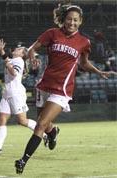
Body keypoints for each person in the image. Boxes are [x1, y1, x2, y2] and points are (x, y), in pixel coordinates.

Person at [15, 4, 116, 174]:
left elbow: (83, 63)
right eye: (69, 19)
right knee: (44, 123)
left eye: (76, 20)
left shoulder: (84, 42)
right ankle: (53, 132)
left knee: (40, 124)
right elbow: (32, 49)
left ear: (80, 21)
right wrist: (32, 59)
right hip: (45, 84)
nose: (72, 22)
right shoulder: (52, 33)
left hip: (62, 89)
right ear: (64, 19)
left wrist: (98, 71)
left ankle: (23, 160)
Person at [0, 39, 52, 155]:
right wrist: (1, 51)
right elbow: (7, 60)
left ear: (22, 54)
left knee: (22, 120)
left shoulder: (19, 61)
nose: (17, 48)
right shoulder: (14, 59)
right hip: (7, 93)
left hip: (16, 93)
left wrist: (5, 58)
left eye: (20, 49)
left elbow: (14, 72)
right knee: (2, 119)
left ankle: (44, 135)